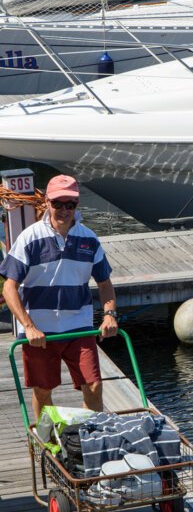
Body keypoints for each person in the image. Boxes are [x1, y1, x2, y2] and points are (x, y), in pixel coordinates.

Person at [0, 174, 119, 419]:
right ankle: (48, 444)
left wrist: (109, 315)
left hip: (79, 325)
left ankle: (90, 439)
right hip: (40, 331)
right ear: (47, 202)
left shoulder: (89, 239)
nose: (64, 210)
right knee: (43, 391)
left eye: (71, 204)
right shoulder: (29, 238)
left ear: (77, 205)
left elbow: (105, 283)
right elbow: (9, 288)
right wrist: (29, 327)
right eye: (58, 203)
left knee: (94, 386)